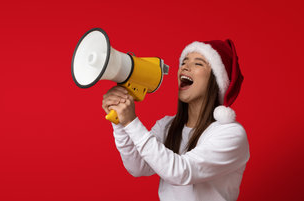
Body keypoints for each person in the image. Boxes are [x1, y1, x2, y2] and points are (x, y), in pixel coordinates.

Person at [102, 40, 249, 201]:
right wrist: (120, 122)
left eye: (198, 64)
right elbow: (138, 167)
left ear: (217, 80)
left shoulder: (231, 133)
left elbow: (181, 172)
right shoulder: (166, 125)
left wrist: (131, 122)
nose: (185, 67)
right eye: (184, 62)